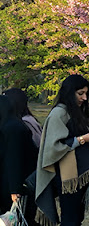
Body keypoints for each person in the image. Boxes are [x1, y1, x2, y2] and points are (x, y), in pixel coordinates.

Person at [35, 75, 89, 226]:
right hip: (67, 178)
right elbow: (53, 147)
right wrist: (83, 139)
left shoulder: (79, 112)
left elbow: (81, 134)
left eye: (86, 93)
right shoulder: (58, 113)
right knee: (70, 219)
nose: (85, 98)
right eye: (80, 93)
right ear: (70, 92)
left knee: (77, 218)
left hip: (83, 175)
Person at [0, 95, 39, 224]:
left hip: (17, 185)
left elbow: (14, 160)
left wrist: (14, 189)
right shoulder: (11, 125)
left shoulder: (12, 128)